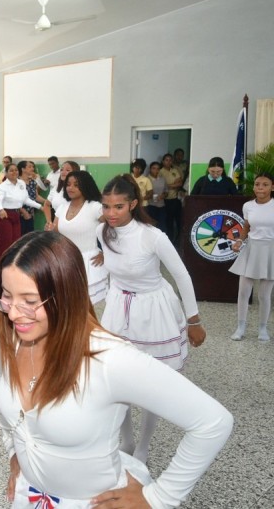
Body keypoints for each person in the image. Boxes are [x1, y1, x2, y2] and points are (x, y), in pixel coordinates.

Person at [0, 231, 232, 509]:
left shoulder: (110, 359)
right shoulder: (9, 332)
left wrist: (159, 498)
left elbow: (213, 422)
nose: (13, 313)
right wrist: (13, 449)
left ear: (66, 295)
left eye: (30, 302)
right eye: (7, 297)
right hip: (30, 494)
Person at [98, 174, 207, 464]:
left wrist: (194, 320)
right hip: (119, 308)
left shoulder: (152, 236)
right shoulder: (103, 232)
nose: (111, 213)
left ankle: (143, 446)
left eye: (119, 206)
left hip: (152, 308)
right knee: (117, 378)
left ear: (133, 204)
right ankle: (127, 440)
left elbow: (182, 275)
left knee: (151, 381)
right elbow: (112, 269)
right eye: (106, 206)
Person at [50, 170, 108, 304]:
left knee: (87, 305)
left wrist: (106, 253)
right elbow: (55, 231)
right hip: (65, 260)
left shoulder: (95, 207)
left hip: (88, 262)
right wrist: (50, 229)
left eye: (76, 185)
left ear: (85, 186)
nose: (70, 188)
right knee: (67, 303)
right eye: (68, 184)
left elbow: (113, 230)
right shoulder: (62, 207)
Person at [229, 172, 274, 341]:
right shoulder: (248, 206)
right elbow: (246, 226)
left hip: (270, 250)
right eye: (257, 184)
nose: (260, 188)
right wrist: (239, 241)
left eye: (265, 185)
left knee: (264, 295)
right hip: (251, 249)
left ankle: (263, 328)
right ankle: (240, 327)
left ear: (272, 187)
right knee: (243, 291)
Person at [0, 164, 42, 271]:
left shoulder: (21, 183)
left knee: (15, 243)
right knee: (5, 243)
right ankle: (0, 269)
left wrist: (40, 206)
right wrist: (1, 209)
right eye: (11, 170)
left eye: (16, 170)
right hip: (4, 215)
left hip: (16, 214)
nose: (14, 172)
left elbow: (26, 199)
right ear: (6, 173)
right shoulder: (3, 186)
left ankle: (12, 268)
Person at [42, 160, 80, 227]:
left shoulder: (80, 188)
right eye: (62, 170)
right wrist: (49, 222)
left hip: (74, 224)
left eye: (67, 170)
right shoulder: (56, 188)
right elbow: (46, 205)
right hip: (57, 224)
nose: (63, 172)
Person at [160, 153, 184, 244]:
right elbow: (162, 186)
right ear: (163, 161)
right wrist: (174, 185)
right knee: (168, 221)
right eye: (166, 160)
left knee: (179, 219)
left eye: (170, 160)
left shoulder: (174, 170)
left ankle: (178, 240)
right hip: (166, 200)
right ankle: (169, 240)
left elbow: (180, 183)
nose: (168, 162)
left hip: (175, 199)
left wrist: (170, 185)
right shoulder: (160, 171)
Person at [16, 161, 45, 235]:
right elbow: (15, 200)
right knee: (20, 237)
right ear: (23, 169)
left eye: (33, 167)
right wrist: (23, 212)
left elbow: (36, 196)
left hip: (30, 214)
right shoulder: (17, 182)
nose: (32, 168)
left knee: (29, 236)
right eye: (29, 167)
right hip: (19, 214)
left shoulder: (32, 182)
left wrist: (47, 202)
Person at [146, 161, 167, 228]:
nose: (156, 170)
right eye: (154, 168)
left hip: (161, 206)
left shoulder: (162, 179)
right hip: (151, 206)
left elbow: (166, 191)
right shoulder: (146, 180)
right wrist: (151, 196)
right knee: (152, 226)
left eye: (158, 169)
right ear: (150, 169)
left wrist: (164, 195)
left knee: (162, 225)